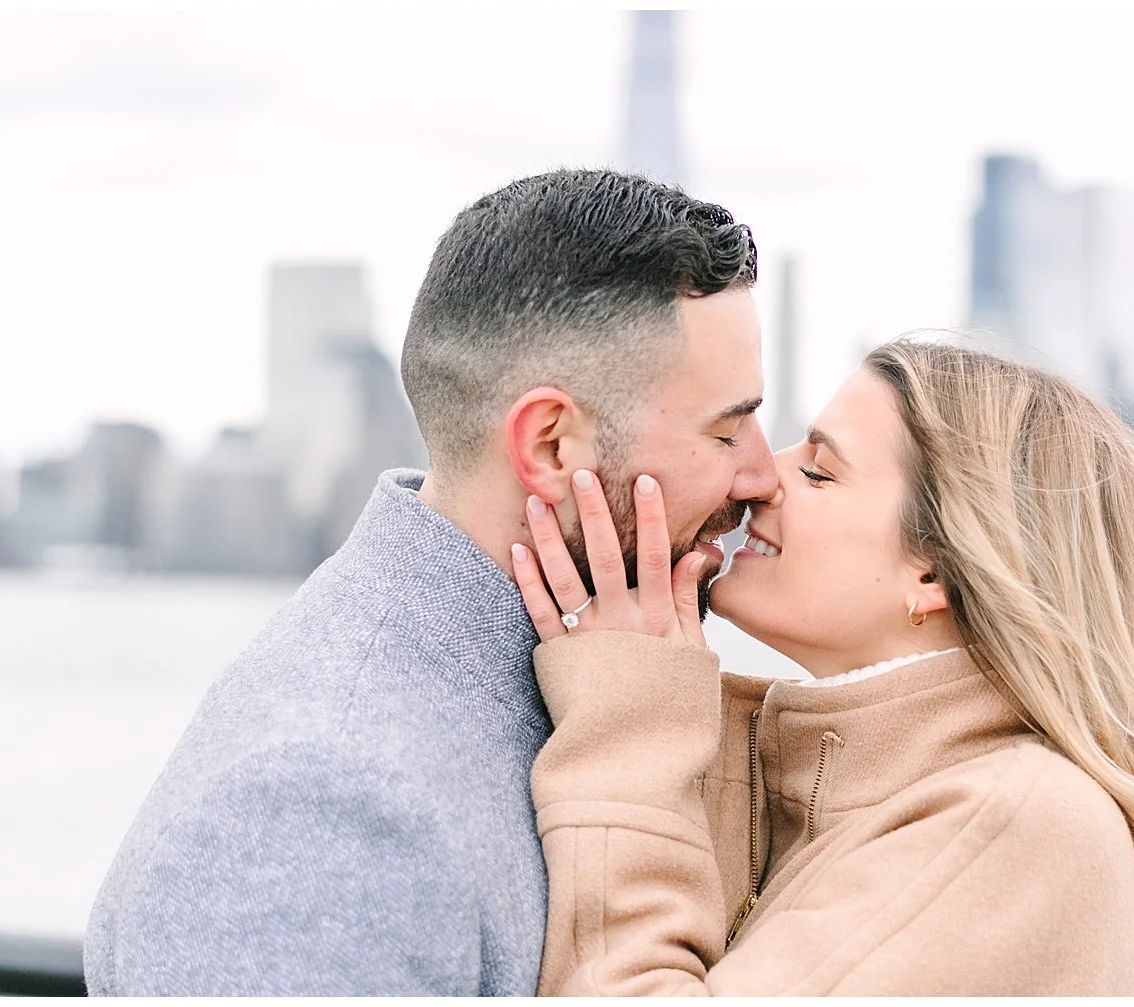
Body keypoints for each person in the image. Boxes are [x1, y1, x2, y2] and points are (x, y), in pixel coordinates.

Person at [82, 169, 779, 996]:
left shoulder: (555, 679)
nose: (764, 475)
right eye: (728, 430)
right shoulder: (323, 806)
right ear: (552, 447)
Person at [513, 337, 1134, 996]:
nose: (759, 477)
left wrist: (630, 725)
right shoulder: (848, 784)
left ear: (934, 572)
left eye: (819, 471)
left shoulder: (1019, 826)